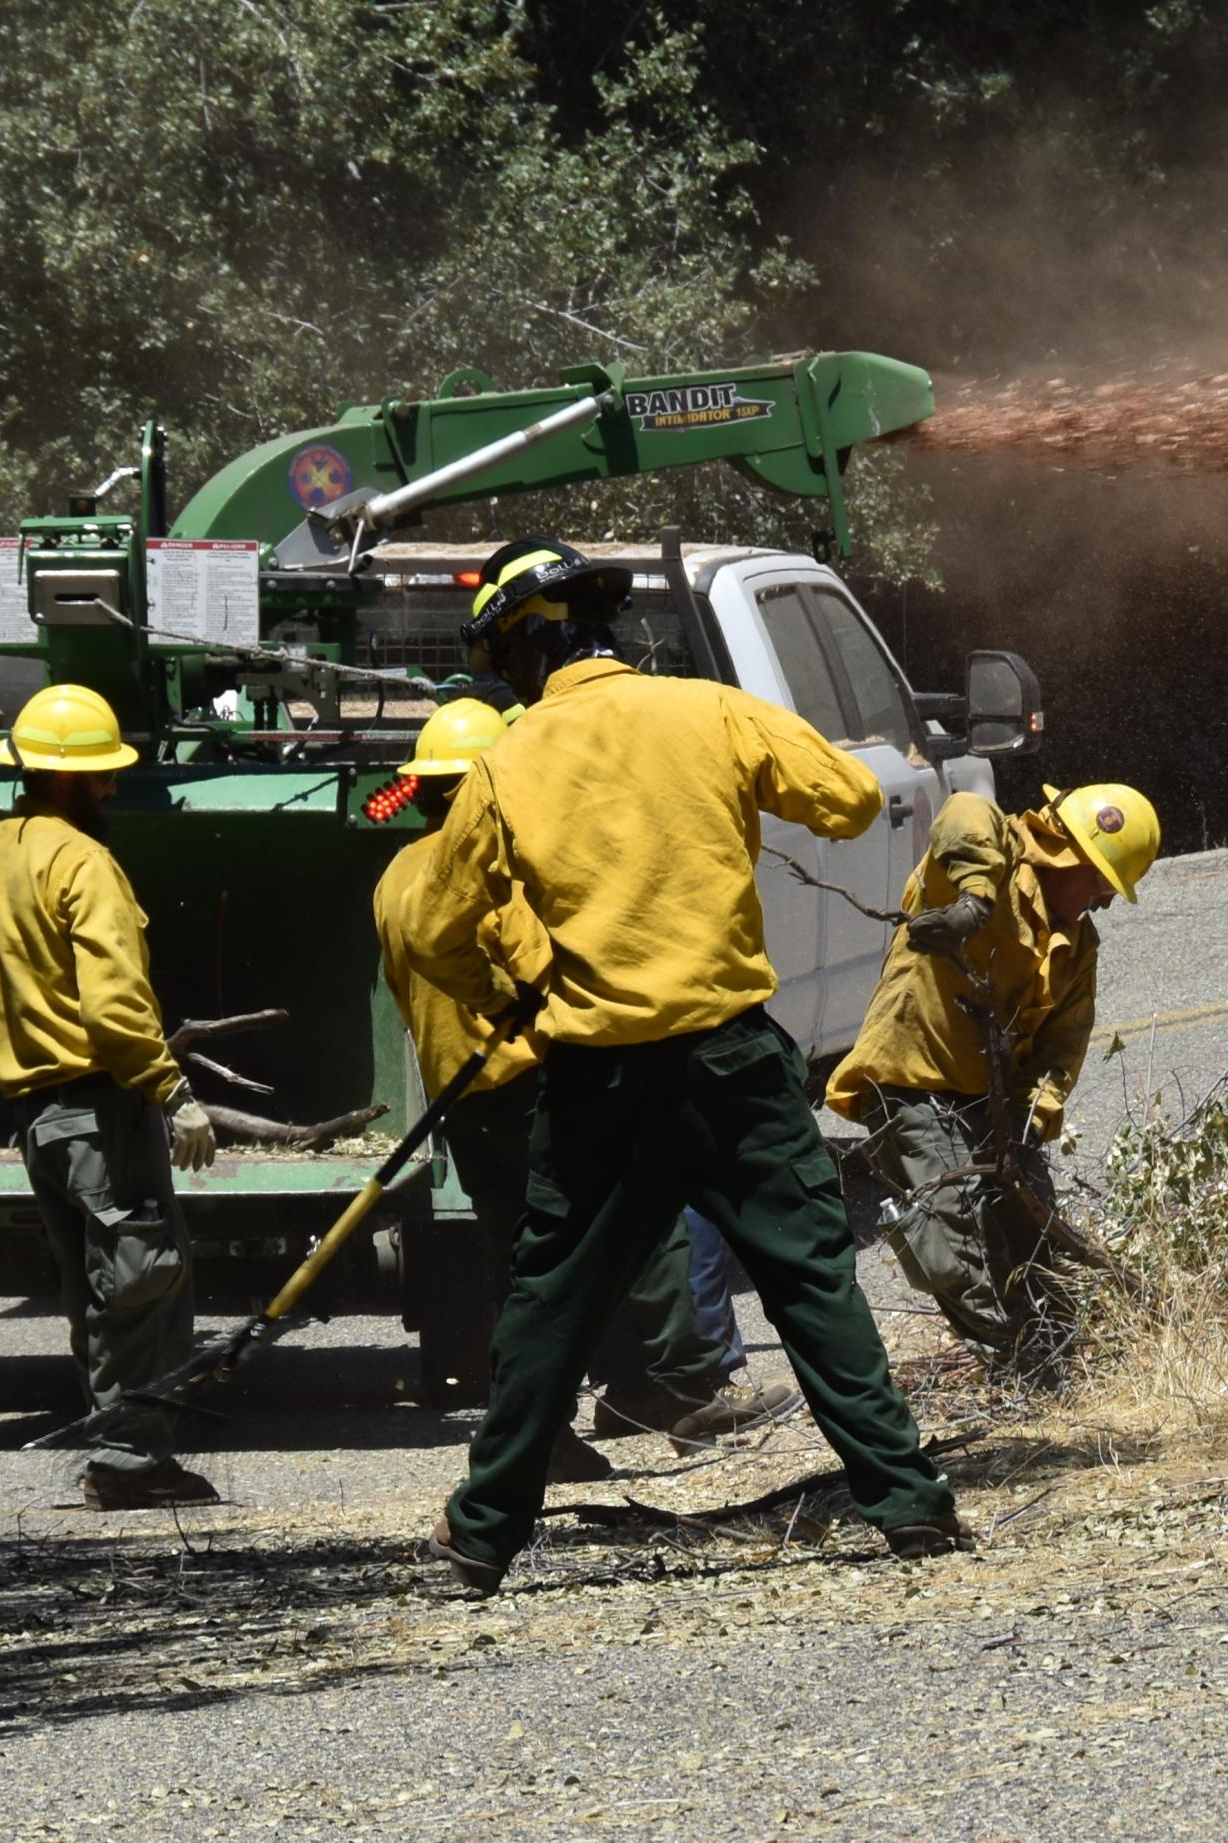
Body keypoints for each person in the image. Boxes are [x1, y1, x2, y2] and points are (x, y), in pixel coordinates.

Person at [406, 538, 967, 1593]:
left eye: (500, 662)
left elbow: (438, 929)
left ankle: (479, 1541)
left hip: (596, 1080)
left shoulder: (504, 765)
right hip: (730, 1064)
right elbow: (846, 799)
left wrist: (519, 975)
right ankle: (909, 1506)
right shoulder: (708, 711)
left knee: (549, 1304)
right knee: (808, 1281)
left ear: (526, 647)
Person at [371, 701, 796, 1480]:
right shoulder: (490, 878)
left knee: (527, 1265)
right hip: (536, 1082)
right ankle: (687, 1387)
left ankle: (551, 1427)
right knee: (653, 1216)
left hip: (467, 1105)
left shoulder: (397, 876)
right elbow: (552, 975)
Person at [0, 683, 220, 1511]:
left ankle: (122, 1455)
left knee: (99, 1292)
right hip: (101, 1108)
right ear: (65, 778)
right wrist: (172, 1088)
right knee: (144, 1281)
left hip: (38, 1115)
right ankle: (130, 1458)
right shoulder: (81, 859)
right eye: (100, 776)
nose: (110, 788)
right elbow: (112, 1004)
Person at [825, 782, 1159, 1366]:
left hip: (996, 1104)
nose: (1105, 901)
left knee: (1035, 1237)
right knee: (952, 1251)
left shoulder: (1077, 943)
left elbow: (1064, 1042)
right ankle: (1017, 1363)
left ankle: (1057, 1360)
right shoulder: (990, 863)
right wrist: (974, 902)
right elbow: (965, 805)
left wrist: (1038, 1109)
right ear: (1070, 857)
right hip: (912, 1081)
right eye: (1104, 883)